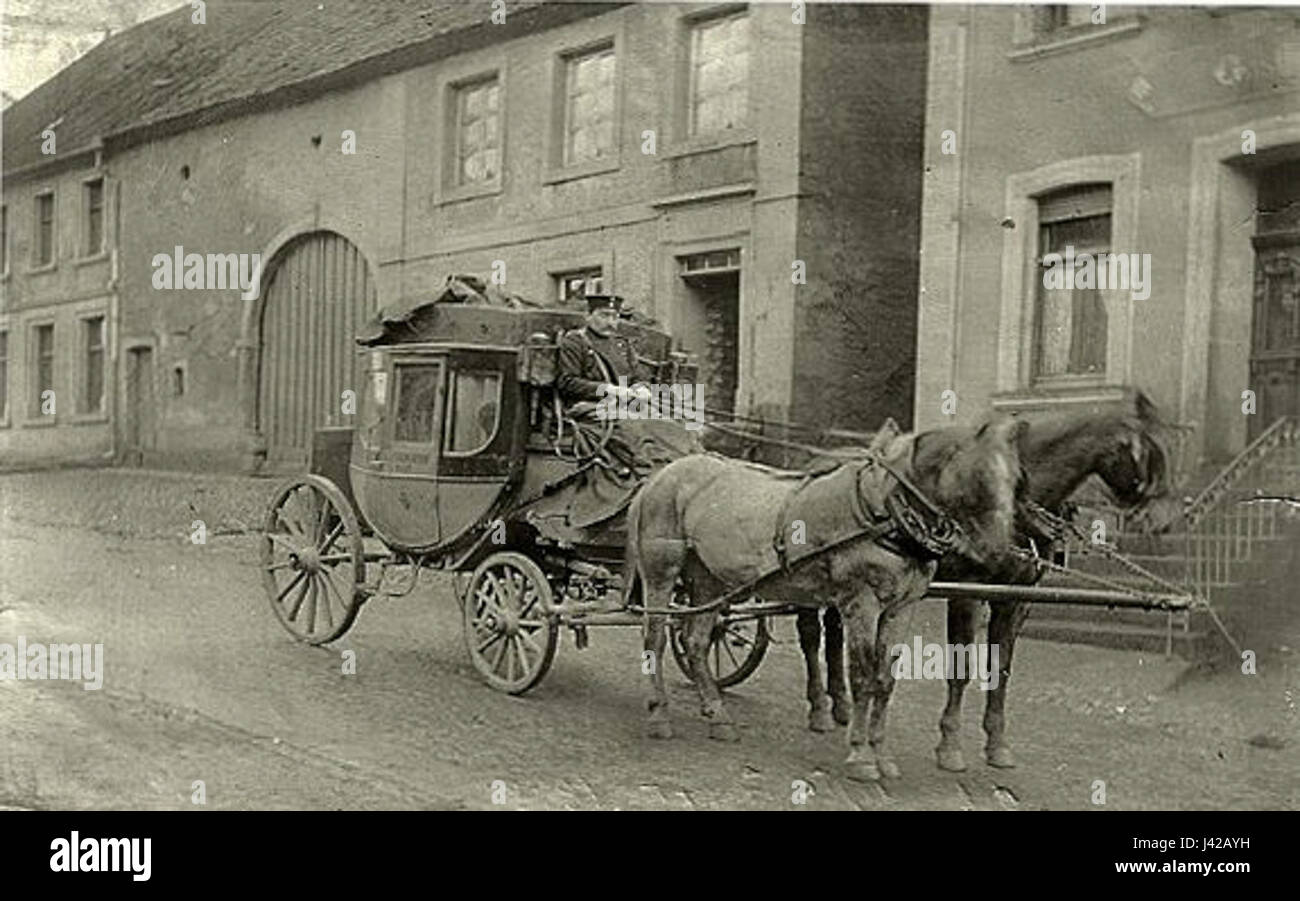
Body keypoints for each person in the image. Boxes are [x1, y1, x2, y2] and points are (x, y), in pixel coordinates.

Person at [556, 294, 652, 410]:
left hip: (624, 405)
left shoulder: (622, 343)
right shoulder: (576, 341)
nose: (610, 322)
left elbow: (637, 375)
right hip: (590, 406)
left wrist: (641, 388)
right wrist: (609, 389)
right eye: (604, 315)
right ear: (588, 316)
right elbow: (568, 382)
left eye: (615, 317)